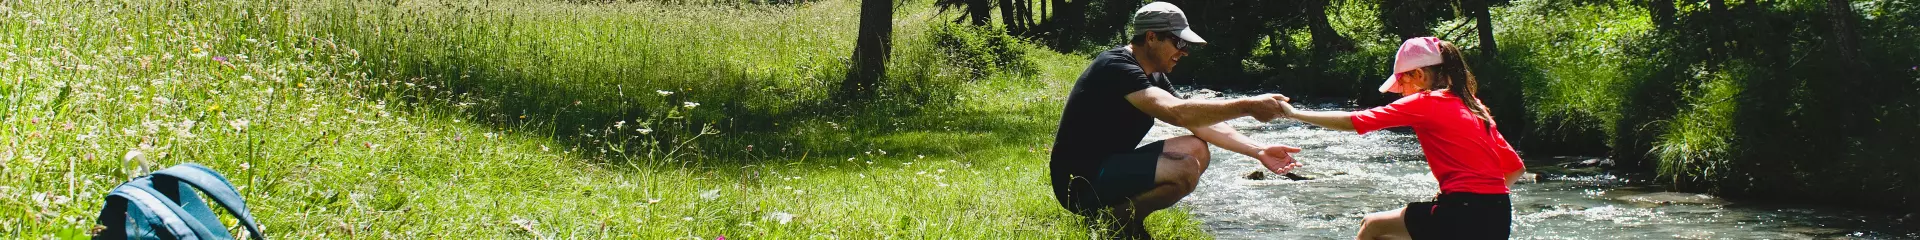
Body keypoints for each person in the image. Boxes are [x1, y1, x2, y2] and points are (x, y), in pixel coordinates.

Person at [1048, 2, 1303, 239]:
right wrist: (1248, 106)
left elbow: (1198, 122)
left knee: (1197, 149)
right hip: (1079, 183)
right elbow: (1177, 112)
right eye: (1179, 42)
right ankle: (1116, 224)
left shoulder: (1153, 75)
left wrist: (1257, 150)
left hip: (1107, 168)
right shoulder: (1115, 66)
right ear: (1151, 37)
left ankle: (1122, 218)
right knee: (1185, 169)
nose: (1185, 52)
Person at [1277, 37, 1526, 240]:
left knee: (1372, 226)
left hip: (1459, 212)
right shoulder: (1474, 107)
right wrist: (1482, 199)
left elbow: (1354, 121)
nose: (1400, 94)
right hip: (1499, 214)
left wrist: (1294, 113)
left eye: (1402, 84)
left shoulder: (1426, 102)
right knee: (1392, 234)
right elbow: (1515, 168)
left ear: (1418, 75)